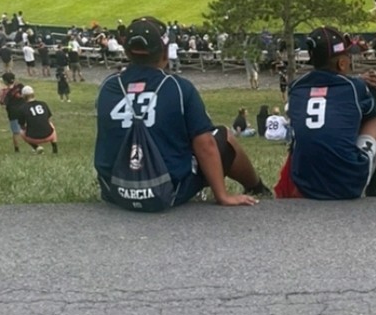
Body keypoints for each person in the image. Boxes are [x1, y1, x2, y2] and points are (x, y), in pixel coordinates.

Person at [94, 16, 269, 208]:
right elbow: (206, 146)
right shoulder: (178, 87)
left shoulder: (108, 87)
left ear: (127, 50)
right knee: (223, 136)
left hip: (115, 192)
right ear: (164, 51)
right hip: (165, 191)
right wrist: (222, 196)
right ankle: (257, 188)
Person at [275, 26, 376, 199]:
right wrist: (364, 84)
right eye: (347, 56)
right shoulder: (355, 87)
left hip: (304, 183)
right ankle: (374, 189)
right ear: (342, 63)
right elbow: (374, 110)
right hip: (347, 185)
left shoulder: (295, 88)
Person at [0, 68, 26, 152]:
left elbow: (2, 103)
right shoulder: (21, 86)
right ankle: (35, 144)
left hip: (13, 114)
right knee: (26, 129)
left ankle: (17, 149)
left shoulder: (5, 92)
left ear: (5, 82)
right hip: (24, 111)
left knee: (16, 132)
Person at [18, 86, 58, 154]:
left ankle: (36, 147)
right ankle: (55, 148)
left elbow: (22, 125)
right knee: (50, 124)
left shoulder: (22, 108)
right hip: (49, 135)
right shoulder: (43, 104)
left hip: (33, 138)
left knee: (21, 131)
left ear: (23, 96)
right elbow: (48, 119)